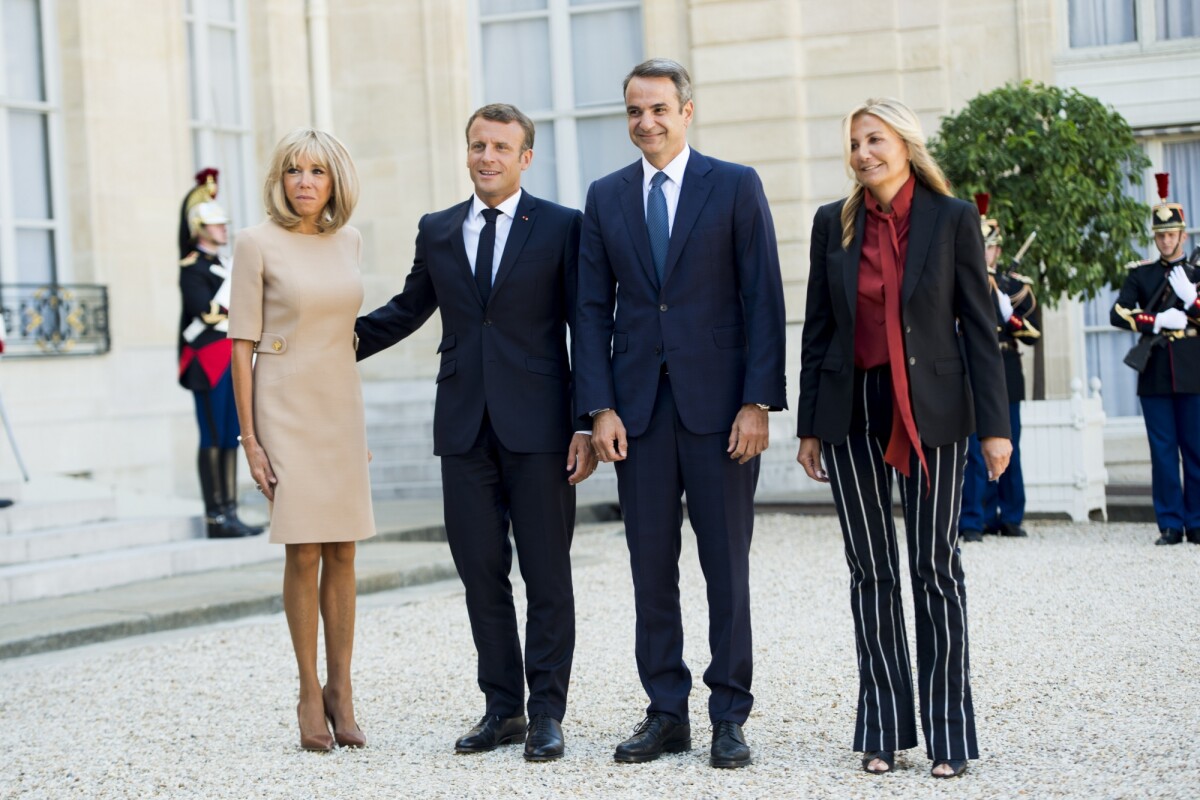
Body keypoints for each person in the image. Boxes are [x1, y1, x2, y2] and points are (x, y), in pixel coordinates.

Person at [354, 103, 594, 762]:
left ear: (525, 157)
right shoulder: (437, 230)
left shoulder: (562, 228)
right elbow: (406, 310)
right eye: (477, 145)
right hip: (462, 427)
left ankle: (547, 711)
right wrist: (330, 341)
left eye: (500, 147)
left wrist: (586, 421)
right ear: (467, 152)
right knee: (480, 573)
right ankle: (502, 708)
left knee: (548, 576)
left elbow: (586, 327)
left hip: (543, 428)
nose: (487, 157)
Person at [574, 58, 787, 770]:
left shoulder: (733, 185)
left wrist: (758, 401)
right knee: (649, 568)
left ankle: (729, 714)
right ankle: (666, 711)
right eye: (635, 110)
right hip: (637, 415)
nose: (646, 122)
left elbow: (764, 297)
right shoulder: (604, 198)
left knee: (726, 568)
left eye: (659, 109)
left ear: (686, 112)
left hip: (722, 410)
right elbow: (591, 310)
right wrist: (598, 408)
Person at [794, 98, 1011, 779]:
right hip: (852, 408)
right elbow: (818, 330)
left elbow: (980, 327)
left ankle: (950, 736)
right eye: (855, 142)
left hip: (933, 409)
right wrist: (808, 425)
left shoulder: (952, 219)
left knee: (935, 567)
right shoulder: (833, 222)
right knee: (870, 570)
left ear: (905, 144)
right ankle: (883, 730)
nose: (863, 153)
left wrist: (996, 429)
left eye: (875, 139)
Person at [228, 129, 375, 751]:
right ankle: (308, 691)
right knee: (305, 550)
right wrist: (251, 441)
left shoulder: (350, 241)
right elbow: (240, 345)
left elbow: (343, 335)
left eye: (316, 171)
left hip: (339, 403)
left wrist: (355, 428)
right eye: (293, 171)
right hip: (282, 402)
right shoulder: (254, 244)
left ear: (334, 180)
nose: (305, 181)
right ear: (279, 180)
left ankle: (342, 690)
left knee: (344, 550)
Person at [1110, 172, 1200, 546]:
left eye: (1171, 234)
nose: (1165, 240)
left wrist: (1193, 301)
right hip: (1156, 371)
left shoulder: (1196, 274)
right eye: (1160, 235)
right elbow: (1118, 313)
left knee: (1195, 449)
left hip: (1194, 370)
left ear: (1183, 235)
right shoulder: (1142, 274)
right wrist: (1157, 320)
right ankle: (1169, 523)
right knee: (1163, 453)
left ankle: (1196, 521)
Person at [178, 186, 262, 539]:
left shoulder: (226, 265)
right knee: (213, 435)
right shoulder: (193, 267)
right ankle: (215, 516)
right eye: (216, 225)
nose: (224, 230)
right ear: (200, 228)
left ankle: (229, 510)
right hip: (205, 360)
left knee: (232, 434)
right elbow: (205, 311)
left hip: (228, 358)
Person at [959, 193, 1041, 542]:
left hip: (1006, 368)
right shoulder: (963, 281)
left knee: (1010, 446)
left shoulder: (1014, 286)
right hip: (970, 369)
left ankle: (1009, 516)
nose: (986, 254)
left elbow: (1033, 334)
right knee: (974, 451)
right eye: (982, 247)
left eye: (991, 248)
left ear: (999, 251)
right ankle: (974, 519)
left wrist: (1012, 318)